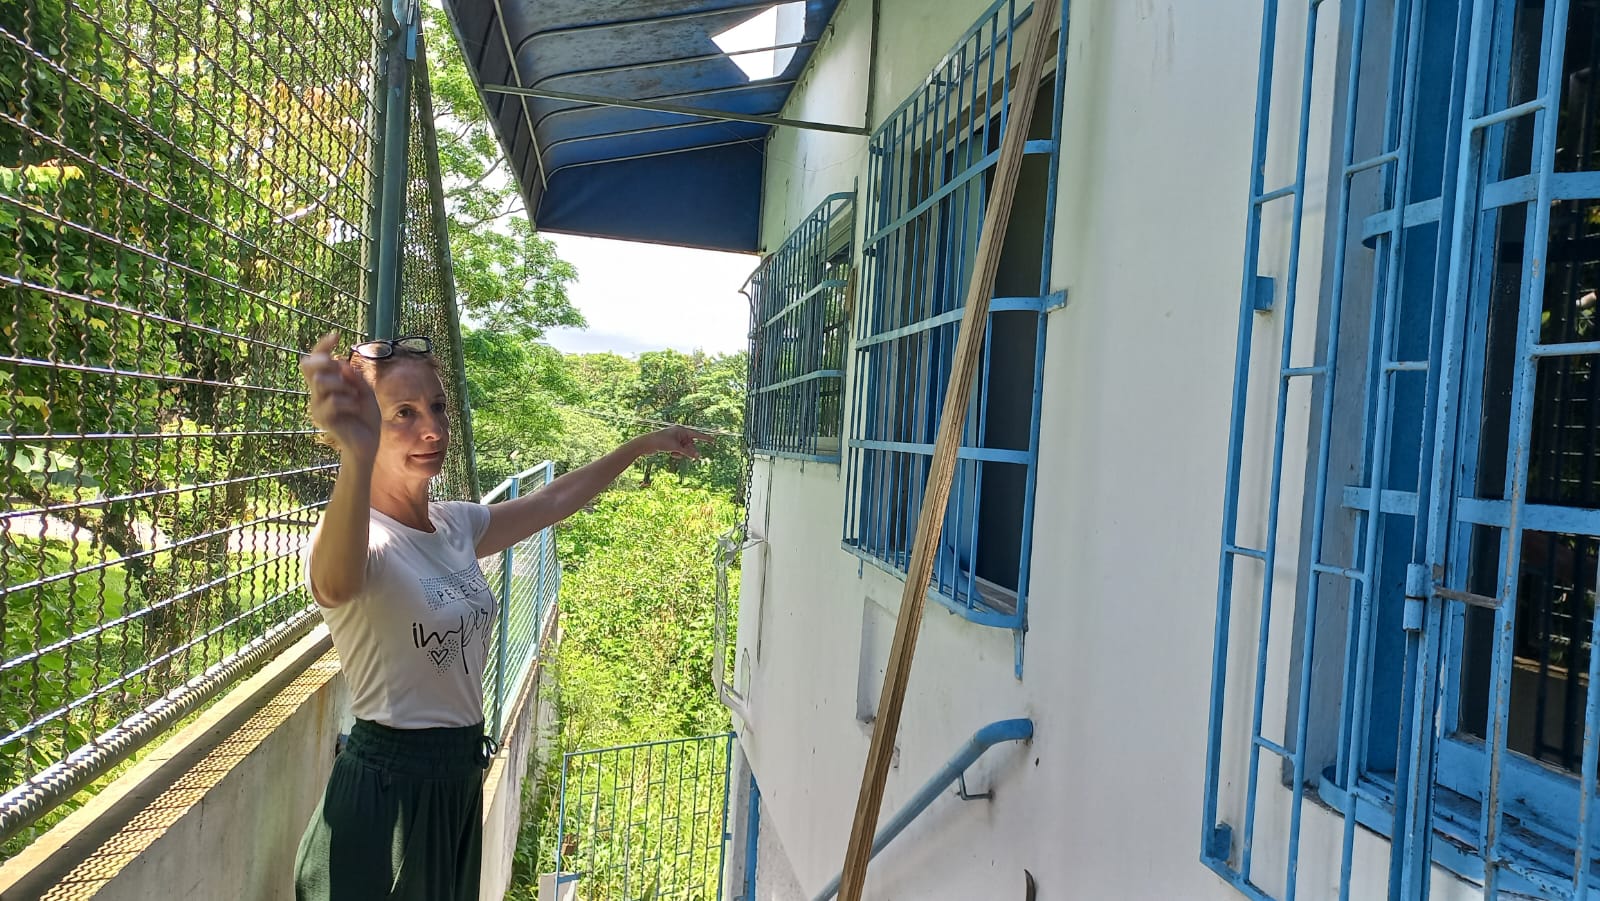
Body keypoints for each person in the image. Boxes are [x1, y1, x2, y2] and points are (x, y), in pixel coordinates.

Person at [292, 331, 708, 900]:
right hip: (387, 795)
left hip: (457, 782)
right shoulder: (365, 538)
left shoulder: (454, 524)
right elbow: (335, 585)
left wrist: (641, 446)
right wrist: (356, 456)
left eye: (437, 406)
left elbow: (550, 502)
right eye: (403, 414)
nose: (433, 429)